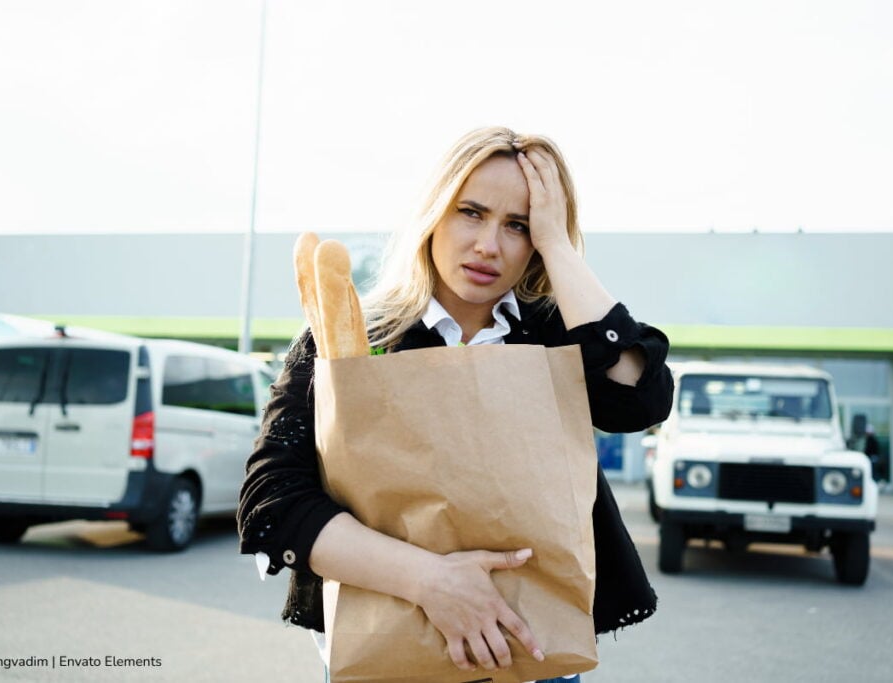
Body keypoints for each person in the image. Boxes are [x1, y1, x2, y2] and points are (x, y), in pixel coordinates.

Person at [237, 126, 674, 682]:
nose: (489, 245)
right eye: (471, 212)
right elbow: (272, 501)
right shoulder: (351, 339)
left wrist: (559, 244)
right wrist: (429, 580)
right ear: (434, 214)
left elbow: (640, 399)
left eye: (518, 225)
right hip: (386, 654)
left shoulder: (560, 340)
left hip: (535, 658)